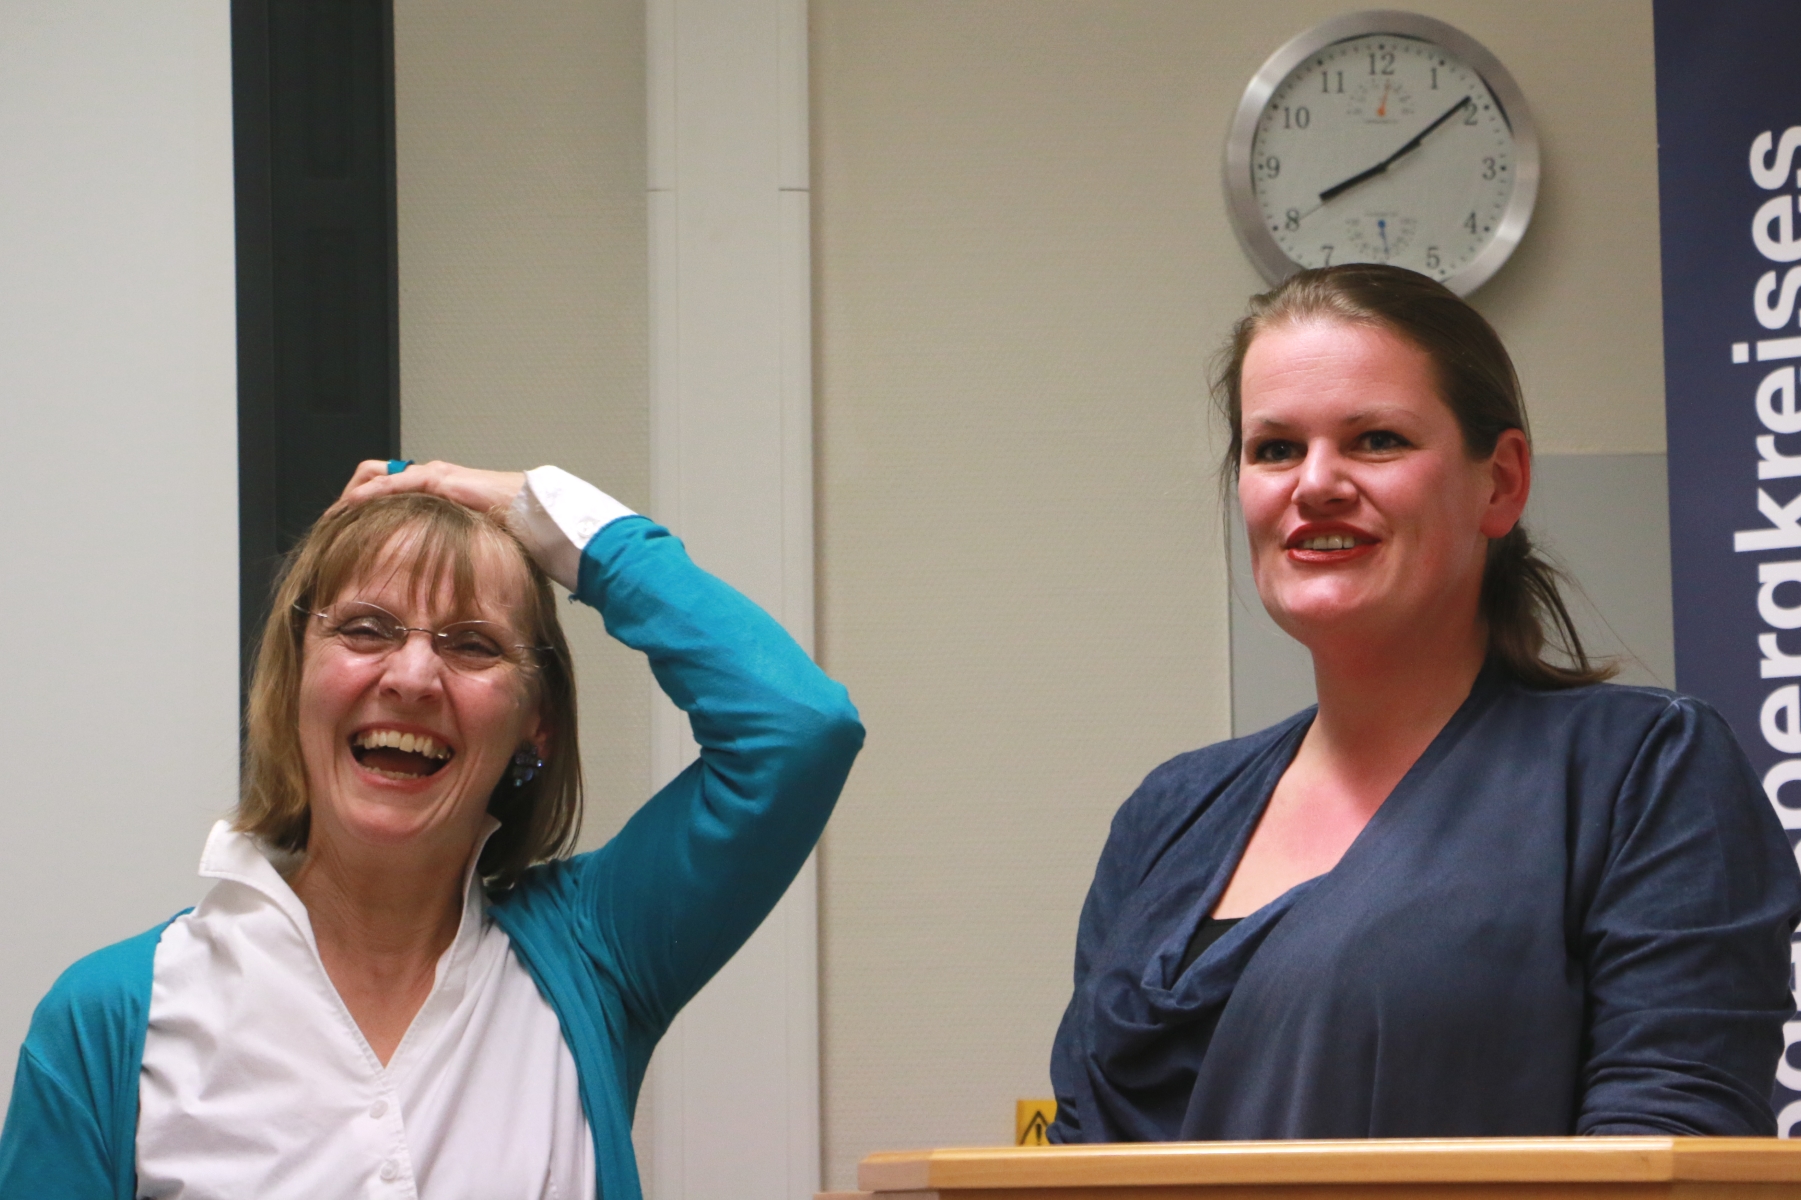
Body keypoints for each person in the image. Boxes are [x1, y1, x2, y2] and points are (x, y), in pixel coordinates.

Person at [1047, 264, 1801, 1143]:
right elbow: (1073, 1155)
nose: (1314, 483)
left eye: (1375, 440)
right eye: (1275, 449)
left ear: (1500, 482)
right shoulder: (1167, 814)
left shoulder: (1640, 773)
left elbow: (1666, 1147)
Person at [0, 461, 863, 1198]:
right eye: (366, 629)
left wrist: (540, 509)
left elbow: (798, 727)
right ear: (293, 680)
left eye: (472, 645)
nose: (412, 677)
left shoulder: (595, 954)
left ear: (536, 727)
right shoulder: (112, 1017)